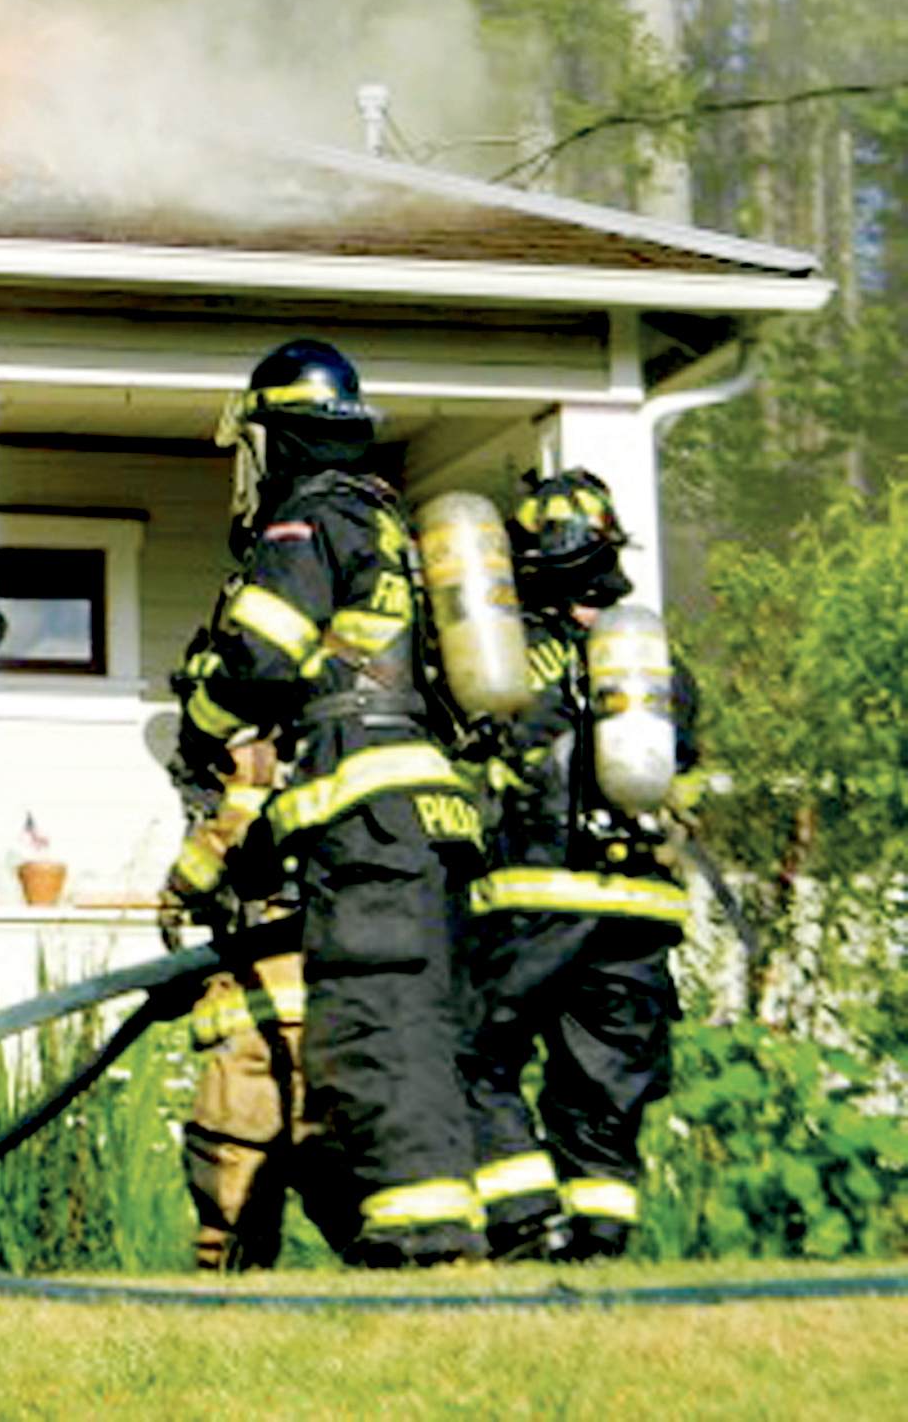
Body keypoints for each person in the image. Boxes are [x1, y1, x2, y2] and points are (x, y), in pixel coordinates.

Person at [170, 338, 488, 1267]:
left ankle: (423, 1240)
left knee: (370, 1025)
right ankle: (436, 1229)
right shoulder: (388, 527)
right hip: (429, 817)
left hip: (369, 817)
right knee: (415, 1026)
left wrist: (200, 717)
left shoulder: (308, 524)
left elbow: (262, 661)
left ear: (279, 439)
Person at [462, 468, 698, 1261]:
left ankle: (525, 1219)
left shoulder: (511, 651)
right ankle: (596, 1241)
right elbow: (685, 757)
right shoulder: (655, 662)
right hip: (641, 906)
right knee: (605, 1085)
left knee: (474, 1055)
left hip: (538, 896)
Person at [160, 676, 311, 1271]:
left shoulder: (245, 815)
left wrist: (237, 801)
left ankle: (229, 1282)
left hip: (260, 1025)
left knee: (230, 1165)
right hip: (332, 1024)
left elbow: (187, 886)